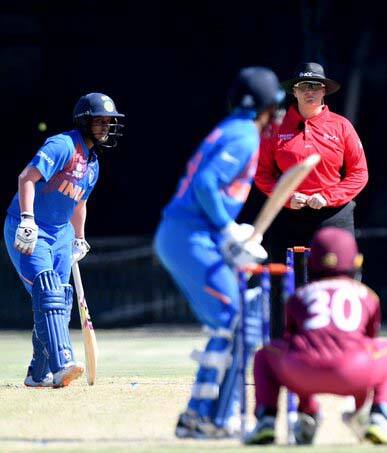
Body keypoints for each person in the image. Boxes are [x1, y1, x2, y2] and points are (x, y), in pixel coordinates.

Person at [153, 67, 284, 438]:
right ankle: (204, 417)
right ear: (264, 106)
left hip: (192, 233)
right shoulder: (244, 136)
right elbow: (207, 184)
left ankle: (204, 416)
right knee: (233, 317)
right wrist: (227, 229)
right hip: (188, 235)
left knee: (237, 320)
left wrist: (227, 231)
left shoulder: (230, 129)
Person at [3, 92, 125, 388]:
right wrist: (28, 220)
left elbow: (79, 203)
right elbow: (26, 178)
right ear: (84, 121)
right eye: (100, 120)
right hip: (30, 227)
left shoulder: (93, 165)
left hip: (61, 235)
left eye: (109, 121)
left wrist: (79, 238)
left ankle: (38, 372)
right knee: (47, 289)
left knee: (60, 297)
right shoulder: (63, 145)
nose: (106, 126)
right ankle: (63, 364)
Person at [244, 227, 387, 446]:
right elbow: (367, 343)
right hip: (354, 372)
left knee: (266, 355)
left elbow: (292, 341)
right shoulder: (368, 296)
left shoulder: (299, 296)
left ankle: (271, 420)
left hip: (301, 372)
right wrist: (359, 403)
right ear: (356, 261)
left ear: (312, 262)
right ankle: (379, 416)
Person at [254, 62, 368, 262]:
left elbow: (359, 173)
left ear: (324, 90)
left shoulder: (341, 125)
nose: (310, 91)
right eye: (304, 86)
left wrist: (328, 197)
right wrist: (286, 197)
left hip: (333, 216)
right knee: (284, 288)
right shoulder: (275, 128)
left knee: (336, 281)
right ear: (294, 91)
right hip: (288, 216)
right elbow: (261, 174)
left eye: (316, 86)